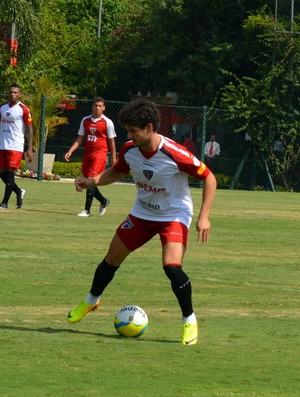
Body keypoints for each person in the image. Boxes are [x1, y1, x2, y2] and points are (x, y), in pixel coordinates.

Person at [67, 98, 216, 345]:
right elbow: (117, 171)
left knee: (172, 267)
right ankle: (92, 301)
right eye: (127, 130)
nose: (129, 135)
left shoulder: (174, 152)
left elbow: (209, 177)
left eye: (133, 131)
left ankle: (189, 320)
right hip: (142, 214)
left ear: (149, 127)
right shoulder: (129, 149)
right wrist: (92, 181)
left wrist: (204, 216)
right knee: (110, 260)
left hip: (174, 215)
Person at [65, 97, 117, 217]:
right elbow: (80, 138)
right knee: (89, 180)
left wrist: (114, 159)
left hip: (100, 154)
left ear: (104, 108)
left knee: (91, 179)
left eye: (100, 106)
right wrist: (70, 150)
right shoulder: (85, 120)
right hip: (87, 154)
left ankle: (87, 211)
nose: (97, 108)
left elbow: (112, 142)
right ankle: (104, 201)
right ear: (92, 107)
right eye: (95, 106)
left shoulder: (107, 122)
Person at [0, 83, 33, 209]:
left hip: (16, 145)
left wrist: (29, 148)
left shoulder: (23, 109)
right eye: (11, 92)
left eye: (15, 92)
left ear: (20, 94)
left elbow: (29, 129)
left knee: (10, 173)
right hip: (2, 144)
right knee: (2, 173)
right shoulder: (2, 108)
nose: (13, 94)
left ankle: (4, 203)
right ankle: (19, 191)